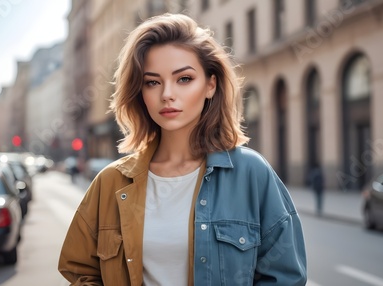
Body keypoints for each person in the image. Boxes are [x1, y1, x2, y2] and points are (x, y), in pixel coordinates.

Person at [58, 13, 307, 286]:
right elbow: (81, 271)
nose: (167, 94)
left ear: (210, 84)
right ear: (139, 91)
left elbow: (285, 277)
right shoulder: (109, 183)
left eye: (184, 79)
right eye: (152, 82)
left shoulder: (252, 174)